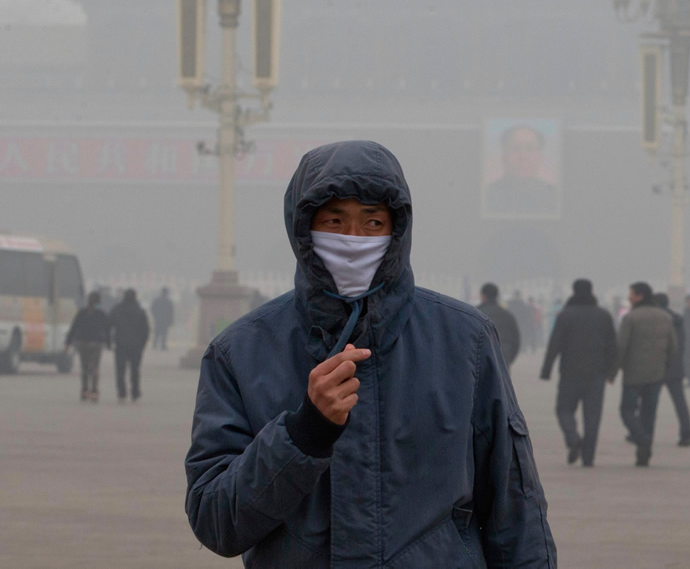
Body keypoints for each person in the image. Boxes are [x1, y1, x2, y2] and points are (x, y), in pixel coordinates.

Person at [185, 140, 556, 565]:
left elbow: (516, 509)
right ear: (303, 228)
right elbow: (216, 521)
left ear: (397, 230)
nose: (353, 239)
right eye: (335, 222)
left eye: (373, 222)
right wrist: (303, 435)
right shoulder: (241, 352)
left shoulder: (465, 342)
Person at [540, 278, 618, 467]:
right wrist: (611, 372)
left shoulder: (566, 315)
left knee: (563, 409)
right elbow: (613, 346)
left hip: (570, 373)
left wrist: (546, 370)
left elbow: (555, 344)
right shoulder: (603, 315)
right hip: (597, 375)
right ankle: (588, 458)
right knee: (592, 417)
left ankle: (573, 437)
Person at [615, 281, 677, 467]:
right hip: (656, 374)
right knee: (649, 413)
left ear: (639, 296)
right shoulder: (665, 317)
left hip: (633, 374)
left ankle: (640, 438)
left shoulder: (631, 318)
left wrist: (612, 371)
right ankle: (645, 453)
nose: (629, 297)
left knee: (627, 410)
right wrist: (665, 368)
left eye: (631, 294)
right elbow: (673, 348)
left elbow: (621, 347)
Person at [483, 124, 559, 216]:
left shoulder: (553, 196)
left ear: (540, 156)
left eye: (530, 149)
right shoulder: (487, 196)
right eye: (515, 149)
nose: (523, 156)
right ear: (503, 155)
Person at [654, 292, 690, 447]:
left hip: (657, 367)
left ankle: (642, 432)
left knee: (650, 403)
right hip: (675, 367)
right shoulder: (677, 320)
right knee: (680, 402)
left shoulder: (656, 320)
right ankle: (686, 433)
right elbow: (681, 345)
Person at [65, 291, 110, 403]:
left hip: (82, 343)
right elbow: (107, 330)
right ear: (99, 301)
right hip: (96, 343)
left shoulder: (82, 313)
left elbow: (74, 327)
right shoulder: (101, 314)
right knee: (94, 368)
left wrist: (68, 342)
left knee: (84, 368)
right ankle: (94, 391)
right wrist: (109, 343)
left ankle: (84, 390)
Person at [110, 288, 150, 403]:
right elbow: (146, 330)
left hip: (120, 344)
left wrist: (110, 340)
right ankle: (135, 393)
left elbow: (109, 324)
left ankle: (122, 393)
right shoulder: (140, 311)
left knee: (120, 371)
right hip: (136, 346)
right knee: (135, 370)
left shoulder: (117, 309)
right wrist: (142, 343)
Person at [478, 282, 521, 367]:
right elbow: (516, 339)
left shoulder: (475, 313)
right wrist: (508, 358)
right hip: (503, 357)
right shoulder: (508, 315)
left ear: (483, 296)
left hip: (480, 359)